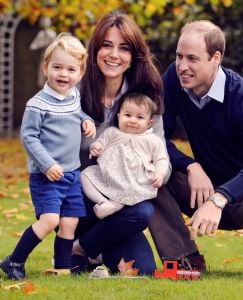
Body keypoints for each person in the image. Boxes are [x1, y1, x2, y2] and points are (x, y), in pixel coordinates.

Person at [149, 20, 243, 274]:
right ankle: (185, 259)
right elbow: (153, 137)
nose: (182, 66)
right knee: (148, 170)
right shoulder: (174, 78)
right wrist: (190, 165)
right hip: (202, 189)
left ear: (215, 58)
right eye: (179, 56)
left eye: (192, 58)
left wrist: (220, 198)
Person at [71, 11, 171, 276]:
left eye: (123, 48)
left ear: (132, 57)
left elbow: (160, 153)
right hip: (79, 198)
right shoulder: (75, 92)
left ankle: (83, 248)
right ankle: (86, 245)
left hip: (122, 204)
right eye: (107, 45)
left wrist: (156, 174)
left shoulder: (145, 100)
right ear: (94, 51)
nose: (114, 55)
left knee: (144, 264)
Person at [0, 33, 96, 280]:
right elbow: (29, 137)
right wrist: (47, 164)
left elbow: (77, 113)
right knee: (50, 219)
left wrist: (86, 120)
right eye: (57, 67)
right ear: (46, 68)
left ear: (81, 73)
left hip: (72, 174)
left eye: (71, 69)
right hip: (47, 175)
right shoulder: (37, 104)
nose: (63, 74)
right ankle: (14, 261)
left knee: (69, 223)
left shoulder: (73, 96)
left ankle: (62, 268)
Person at [81, 92, 170, 219]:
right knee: (85, 176)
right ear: (119, 117)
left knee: (128, 191)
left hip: (133, 179)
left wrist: (160, 173)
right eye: (127, 115)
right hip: (107, 175)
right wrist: (96, 148)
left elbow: (161, 159)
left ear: (149, 123)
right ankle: (102, 202)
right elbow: (99, 144)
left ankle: (114, 205)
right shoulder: (112, 133)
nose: (132, 120)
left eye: (140, 117)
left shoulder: (152, 140)